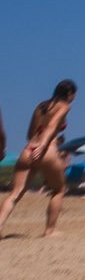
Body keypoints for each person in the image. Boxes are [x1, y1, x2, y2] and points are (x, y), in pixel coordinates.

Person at [0, 81, 77, 239]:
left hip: (28, 150)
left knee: (15, 193)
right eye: (74, 95)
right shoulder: (64, 107)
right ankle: (50, 230)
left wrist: (37, 143)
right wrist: (43, 145)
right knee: (59, 190)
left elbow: (30, 133)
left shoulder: (41, 106)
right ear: (69, 94)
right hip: (46, 150)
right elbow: (52, 126)